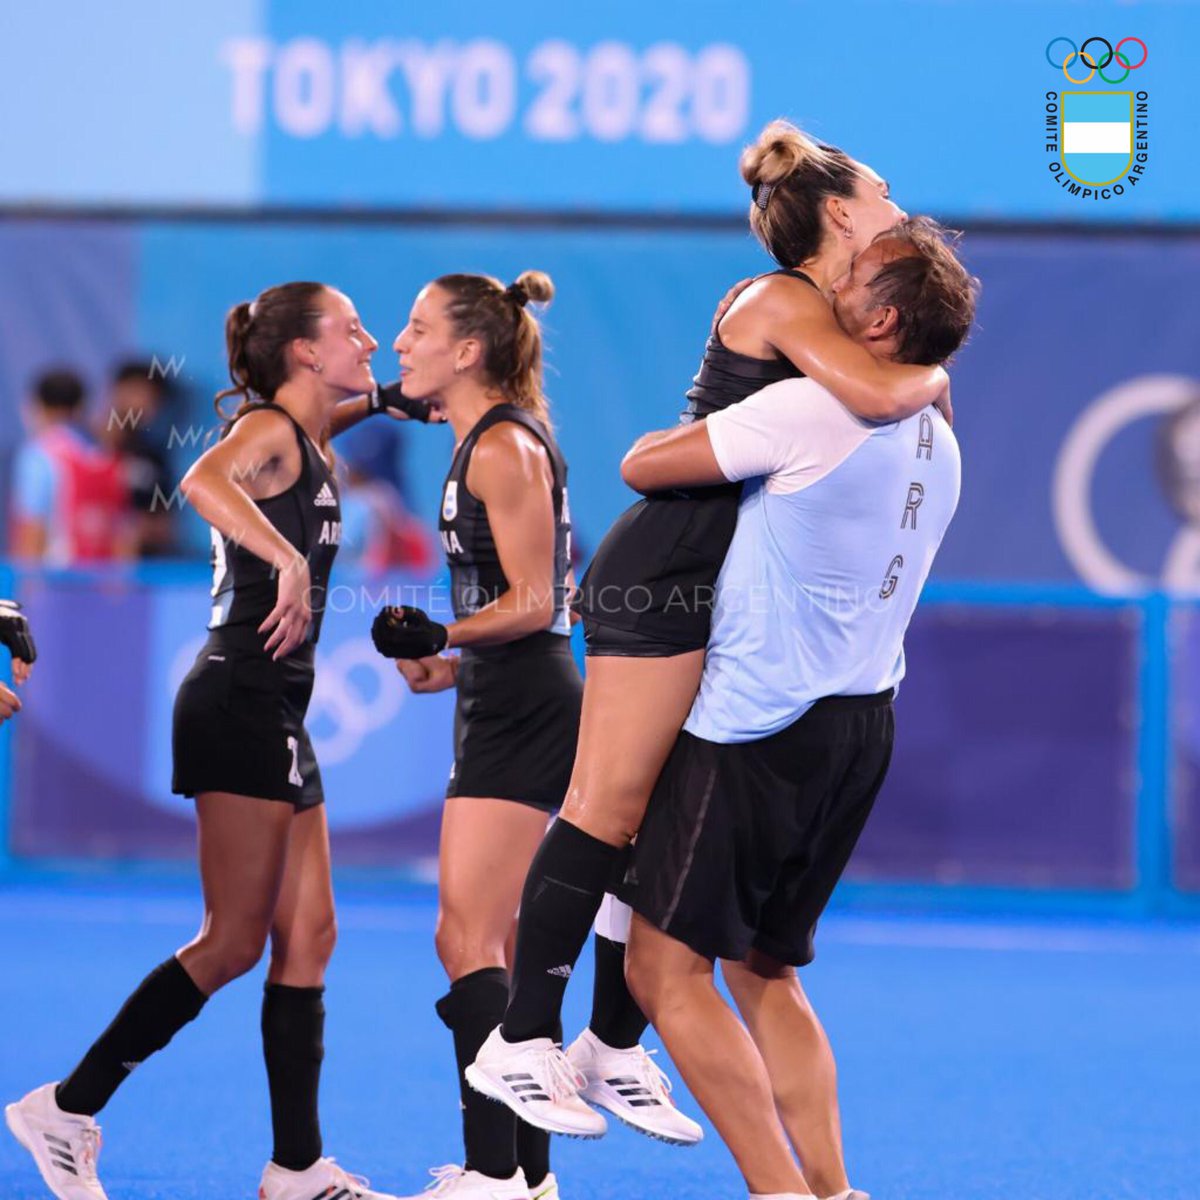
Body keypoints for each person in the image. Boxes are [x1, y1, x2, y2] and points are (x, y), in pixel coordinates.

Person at [468, 121, 950, 1136]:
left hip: (713, 570)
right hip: (665, 569)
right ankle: (519, 1042)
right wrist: (940, 375)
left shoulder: (820, 305)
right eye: (883, 191)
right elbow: (874, 390)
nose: (898, 207)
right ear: (839, 214)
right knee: (606, 805)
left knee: (643, 818)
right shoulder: (783, 298)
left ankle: (608, 1047)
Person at [4, 281, 413, 1200]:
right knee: (232, 942)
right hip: (238, 698)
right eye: (352, 331)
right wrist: (287, 560)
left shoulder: (304, 437)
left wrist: (391, 398)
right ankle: (65, 1109)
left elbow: (325, 430)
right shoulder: (267, 433)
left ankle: (297, 1169)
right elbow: (201, 480)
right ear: (305, 353)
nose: (372, 338)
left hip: (281, 707)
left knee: (310, 934)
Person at [615, 218, 978, 1200]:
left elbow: (645, 463)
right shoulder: (939, 443)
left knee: (665, 974)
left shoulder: (811, 410)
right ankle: (834, 1187)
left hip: (757, 732)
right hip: (862, 729)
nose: (823, 295)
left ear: (885, 320)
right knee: (768, 973)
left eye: (849, 284)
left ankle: (781, 1195)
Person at [370, 270, 700, 1200]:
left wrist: (449, 634)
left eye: (418, 327)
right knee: (493, 940)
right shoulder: (482, 434)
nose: (401, 342)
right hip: (506, 687)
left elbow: (538, 601)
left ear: (468, 351)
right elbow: (516, 603)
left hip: (522, 700)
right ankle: (526, 1176)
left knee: (467, 937)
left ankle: (494, 1173)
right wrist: (452, 659)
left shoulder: (501, 447)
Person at [9, 368, 129, 563]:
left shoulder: (38, 455)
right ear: (81, 408)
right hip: (102, 580)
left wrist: (26, 586)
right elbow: (123, 531)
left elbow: (33, 527)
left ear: (36, 406)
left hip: (55, 581)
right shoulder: (105, 454)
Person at [98, 359, 180, 557]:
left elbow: (165, 528)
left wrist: (136, 529)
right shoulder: (76, 449)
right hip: (75, 571)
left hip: (131, 574)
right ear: (116, 391)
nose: (143, 404)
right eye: (136, 393)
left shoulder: (153, 457)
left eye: (152, 399)